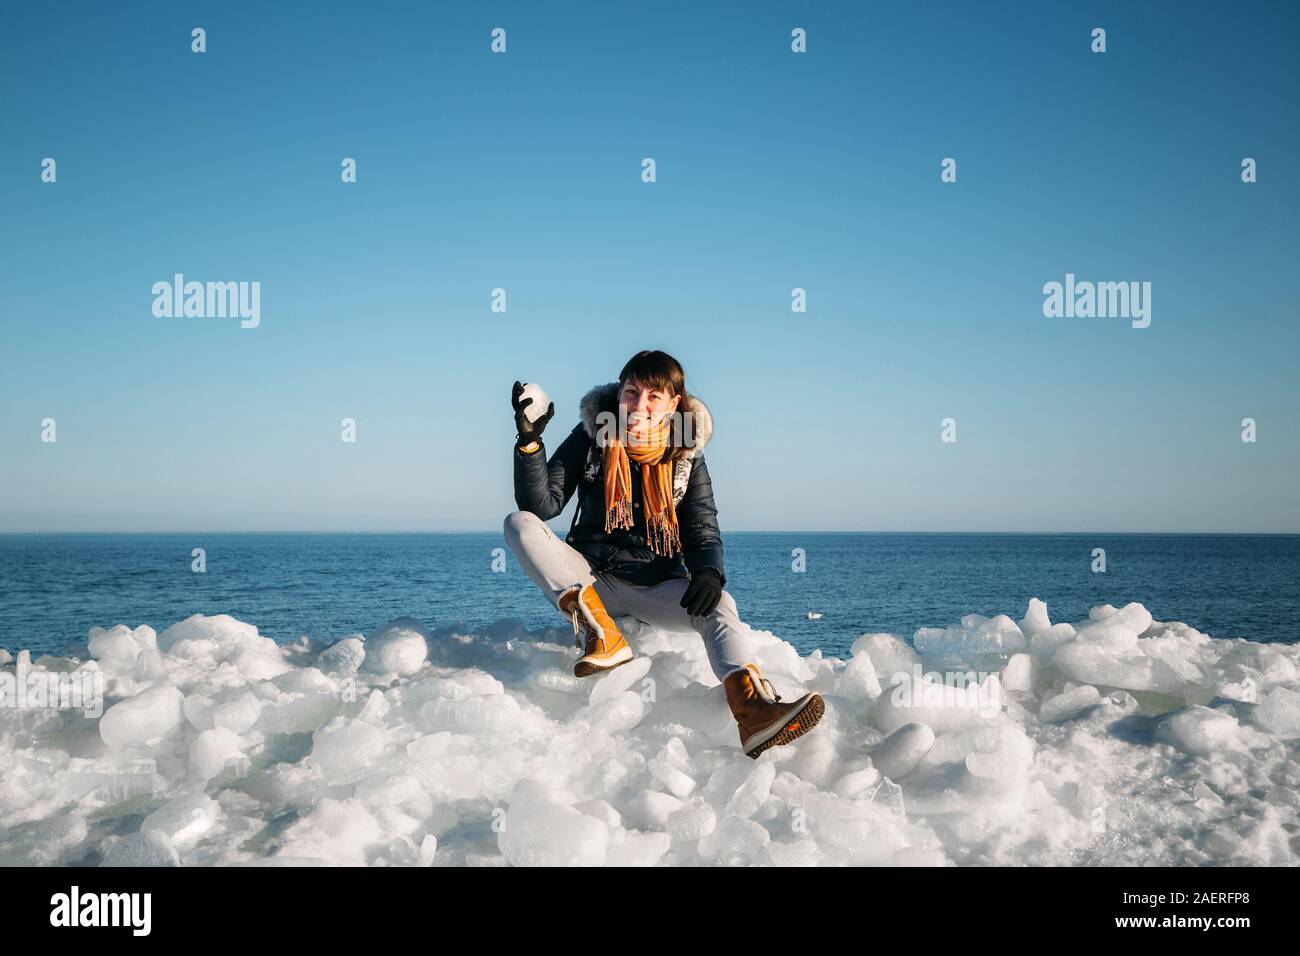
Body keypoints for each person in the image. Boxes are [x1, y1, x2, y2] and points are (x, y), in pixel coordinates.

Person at [503, 349, 824, 758]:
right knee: (519, 524)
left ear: (674, 405)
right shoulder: (591, 437)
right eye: (632, 391)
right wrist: (529, 441)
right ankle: (602, 636)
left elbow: (701, 526)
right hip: (586, 579)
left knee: (721, 605)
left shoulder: (686, 456)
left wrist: (709, 573)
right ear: (618, 393)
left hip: (653, 583)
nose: (640, 405)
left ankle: (754, 710)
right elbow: (542, 506)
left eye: (654, 396)